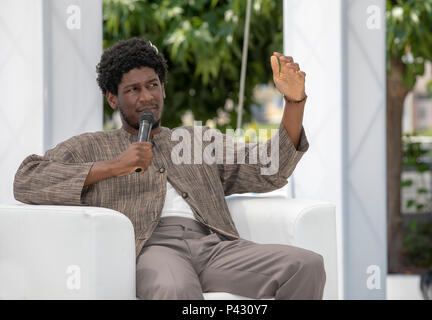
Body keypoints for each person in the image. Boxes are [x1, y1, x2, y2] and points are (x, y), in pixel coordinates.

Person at [14, 37, 326, 300]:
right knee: (175, 289)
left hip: (215, 246)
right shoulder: (91, 145)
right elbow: (27, 179)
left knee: (306, 265)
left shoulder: (197, 139)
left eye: (152, 85)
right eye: (133, 90)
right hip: (152, 249)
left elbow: (269, 169)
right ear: (112, 99)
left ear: (163, 88)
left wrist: (294, 101)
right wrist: (113, 166)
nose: (146, 96)